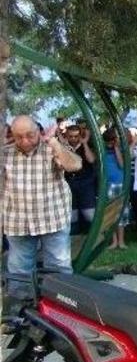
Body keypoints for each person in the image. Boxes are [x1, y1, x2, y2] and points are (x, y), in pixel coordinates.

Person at [3, 116, 81, 299]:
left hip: (52, 218)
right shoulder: (5, 153)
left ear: (38, 131)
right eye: (18, 136)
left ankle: (61, 308)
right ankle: (22, 312)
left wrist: (54, 142)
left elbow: (75, 165)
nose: (24, 141)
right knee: (19, 272)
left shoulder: (52, 149)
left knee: (58, 268)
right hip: (18, 222)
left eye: (29, 135)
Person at [63, 124, 97, 235]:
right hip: (69, 184)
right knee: (72, 215)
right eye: (71, 136)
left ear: (80, 136)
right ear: (67, 136)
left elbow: (91, 160)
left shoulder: (86, 146)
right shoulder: (63, 147)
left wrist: (85, 143)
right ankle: (74, 239)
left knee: (89, 214)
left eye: (76, 136)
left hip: (85, 183)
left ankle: (95, 237)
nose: (73, 139)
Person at [103, 128, 129, 249]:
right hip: (107, 184)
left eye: (112, 140)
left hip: (120, 184)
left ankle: (121, 241)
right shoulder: (102, 150)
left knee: (121, 213)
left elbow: (122, 164)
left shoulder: (120, 150)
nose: (110, 143)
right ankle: (113, 241)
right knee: (111, 215)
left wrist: (116, 148)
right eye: (108, 141)